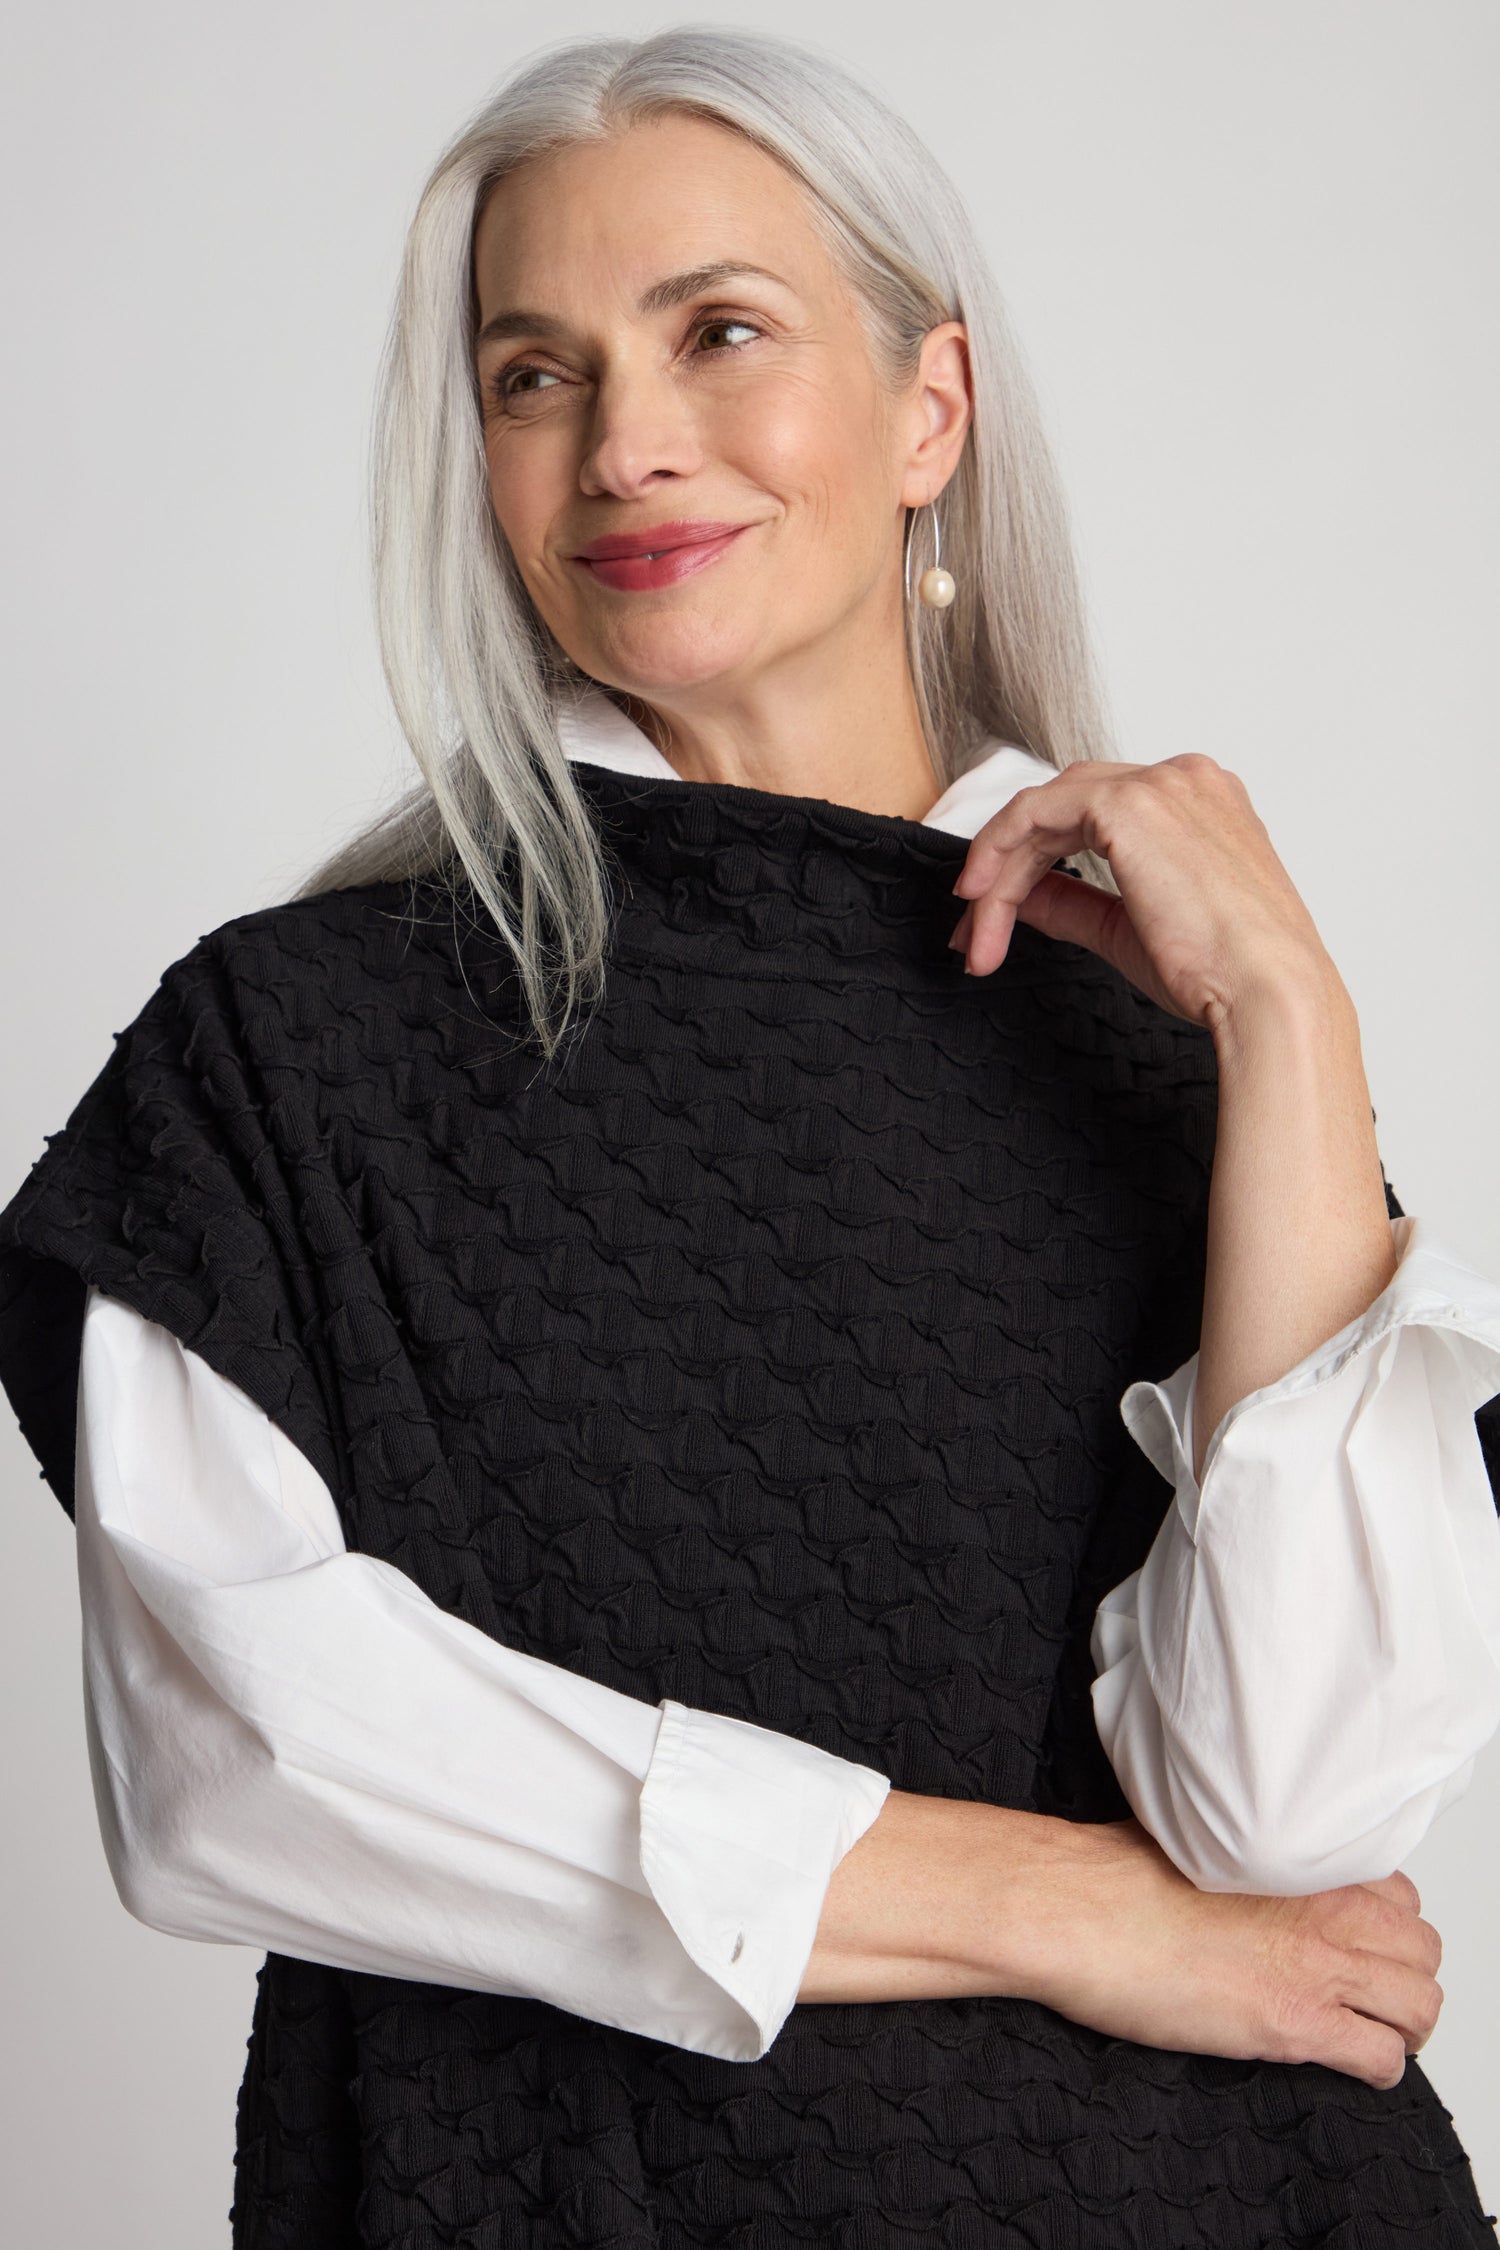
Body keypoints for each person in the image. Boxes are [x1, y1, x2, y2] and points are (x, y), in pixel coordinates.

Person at [3, 24, 1500, 2247]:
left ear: (929, 412)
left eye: (720, 332)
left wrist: (1293, 1024)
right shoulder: (292, 1051)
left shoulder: (1175, 1053)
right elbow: (253, 1762)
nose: (626, 444)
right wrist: (1061, 1909)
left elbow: (1286, 1817)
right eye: (533, 375)